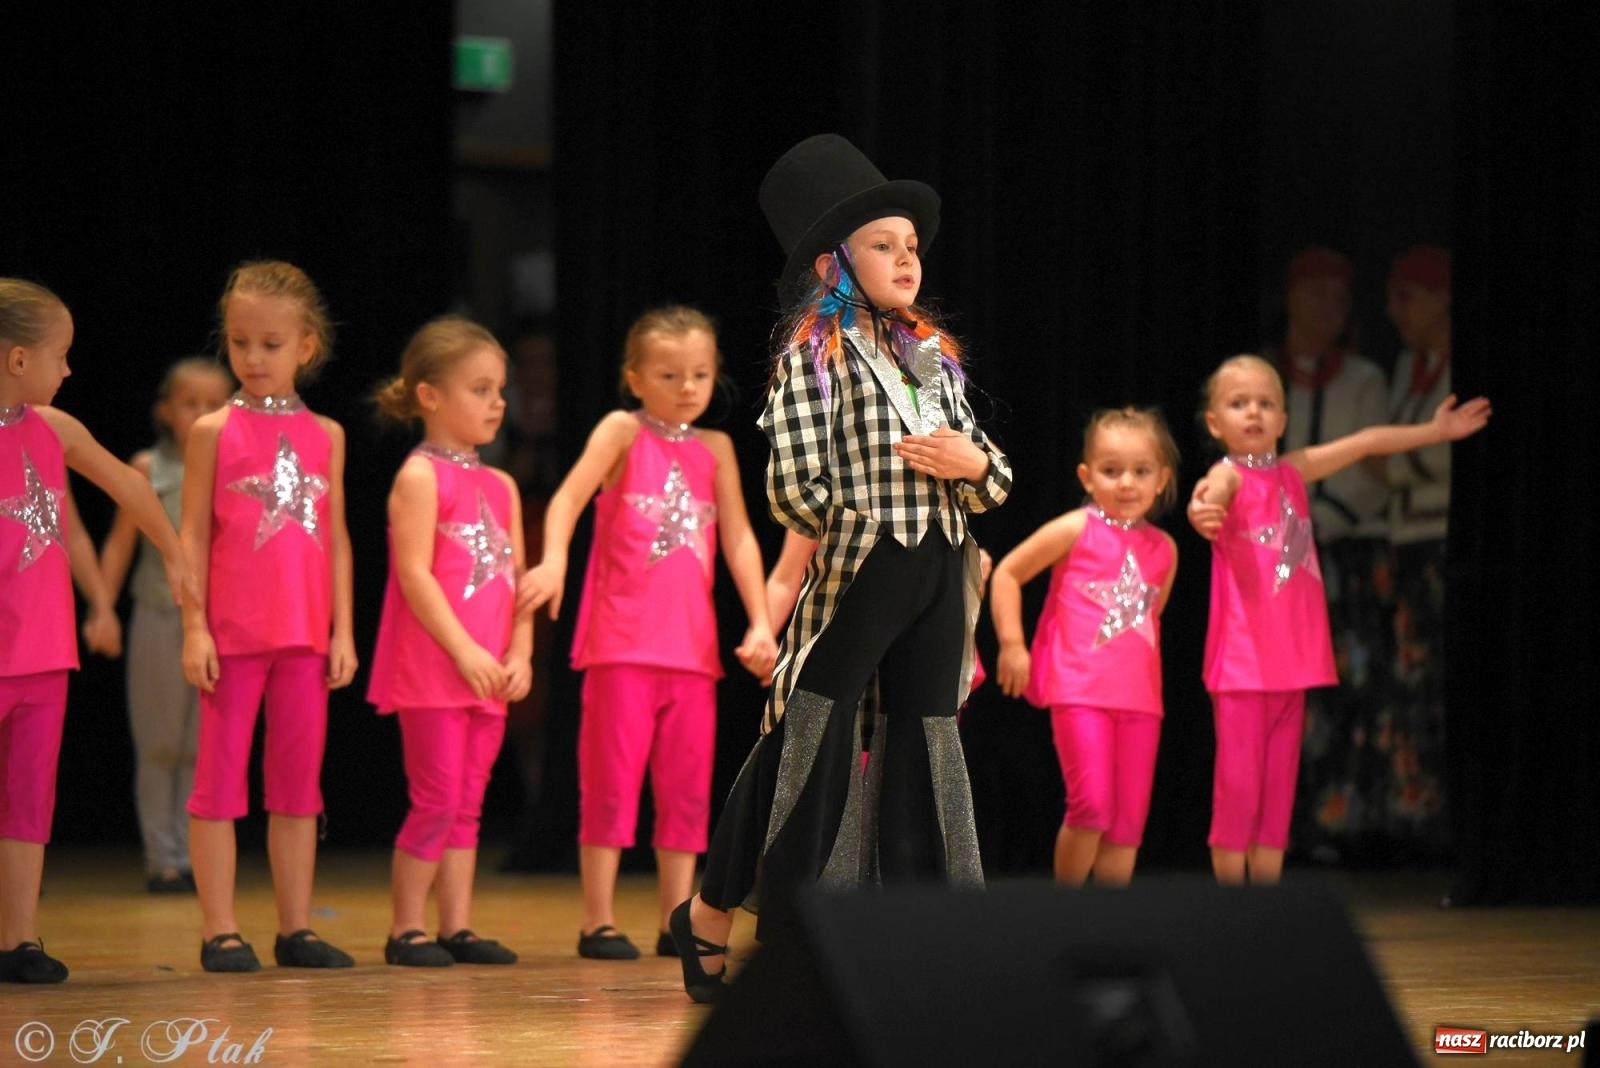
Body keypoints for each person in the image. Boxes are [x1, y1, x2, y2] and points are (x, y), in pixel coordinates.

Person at [667, 134, 1011, 1004]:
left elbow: (992, 473)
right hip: (868, 566)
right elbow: (791, 486)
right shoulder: (815, 357)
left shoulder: (930, 358)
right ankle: (742, 919)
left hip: (940, 567)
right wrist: (862, 521)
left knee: (927, 743)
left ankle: (923, 930)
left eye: (912, 247)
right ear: (835, 263)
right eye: (884, 245)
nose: (906, 260)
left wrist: (973, 470)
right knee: (809, 745)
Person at [518, 305, 777, 961]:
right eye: (669, 374)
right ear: (635, 378)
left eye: (699, 373)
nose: (688, 387)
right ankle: (598, 919)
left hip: (691, 653)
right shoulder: (620, 432)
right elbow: (570, 498)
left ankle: (675, 916)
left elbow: (740, 538)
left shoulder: (715, 449)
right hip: (621, 644)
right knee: (611, 781)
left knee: (687, 790)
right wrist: (552, 559)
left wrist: (761, 620)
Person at [1186, 354, 1488, 885]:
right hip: (1243, 665)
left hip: (1292, 664)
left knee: (1277, 796)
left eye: (1266, 403)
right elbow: (1215, 492)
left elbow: (1368, 441)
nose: (1253, 413)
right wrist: (1202, 507)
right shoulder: (1226, 473)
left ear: (1283, 420)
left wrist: (1436, 430)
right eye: (1238, 404)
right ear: (1215, 422)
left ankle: (1265, 908)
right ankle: (1229, 909)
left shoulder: (1294, 470)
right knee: (1239, 792)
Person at [0, 278, 195, 983]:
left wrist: (174, 555)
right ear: (19, 359)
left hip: (42, 653)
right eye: (62, 355)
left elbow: (131, 487)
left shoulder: (53, 428)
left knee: (29, 798)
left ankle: (19, 938)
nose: (70, 369)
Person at [180, 261, 357, 972]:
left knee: (296, 786)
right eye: (240, 341)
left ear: (306, 346)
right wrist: (195, 624)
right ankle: (220, 928)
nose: (253, 358)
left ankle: (295, 927)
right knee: (219, 782)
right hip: (233, 636)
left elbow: (337, 537)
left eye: (270, 344)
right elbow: (191, 534)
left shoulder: (328, 435)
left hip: (305, 637)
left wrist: (343, 629)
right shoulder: (211, 431)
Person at [369, 317, 532, 967]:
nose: (498, 402)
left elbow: (517, 580)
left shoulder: (503, 484)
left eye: (501, 389)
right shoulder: (418, 477)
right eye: (481, 389)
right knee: (435, 797)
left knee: (468, 800)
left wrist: (518, 651)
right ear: (430, 395)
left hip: (489, 669)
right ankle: (405, 926)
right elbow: (413, 575)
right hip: (437, 668)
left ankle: (456, 925)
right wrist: (464, 650)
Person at [989, 407, 1180, 887]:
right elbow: (1009, 574)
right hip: (1079, 693)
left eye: (1141, 471)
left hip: (1141, 702)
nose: (1127, 483)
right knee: (1091, 806)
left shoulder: (1165, 549)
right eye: (1111, 471)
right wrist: (1013, 644)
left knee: (1126, 824)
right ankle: (1068, 910)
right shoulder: (1077, 528)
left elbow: (1148, 623)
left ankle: (1108, 924)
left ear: (1162, 480)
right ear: (1087, 476)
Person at [1268, 247, 1396, 860]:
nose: (1327, 308)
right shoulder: (1264, 376)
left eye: (1339, 298)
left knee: (1346, 679)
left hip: (1342, 551)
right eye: (1315, 292)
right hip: (1269, 558)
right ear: (1291, 298)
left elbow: (1373, 466)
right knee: (1278, 686)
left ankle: (1341, 824)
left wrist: (1319, 522)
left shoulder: (1365, 379)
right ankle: (1281, 826)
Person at [99, 357, 232, 893]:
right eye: (189, 403)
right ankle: (163, 856)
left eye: (214, 404)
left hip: (220, 624)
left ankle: (196, 852)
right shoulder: (148, 468)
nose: (201, 413)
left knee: (202, 745)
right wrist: (102, 608)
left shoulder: (233, 469)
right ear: (165, 410)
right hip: (160, 613)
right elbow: (120, 542)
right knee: (159, 742)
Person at [1382, 245, 1455, 851]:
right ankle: (1419, 824)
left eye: (1409, 295)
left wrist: (1399, 459)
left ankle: (1449, 822)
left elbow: (1435, 456)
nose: (1396, 310)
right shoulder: (1409, 366)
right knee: (1410, 682)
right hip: (1406, 540)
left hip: (1442, 541)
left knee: (1439, 680)